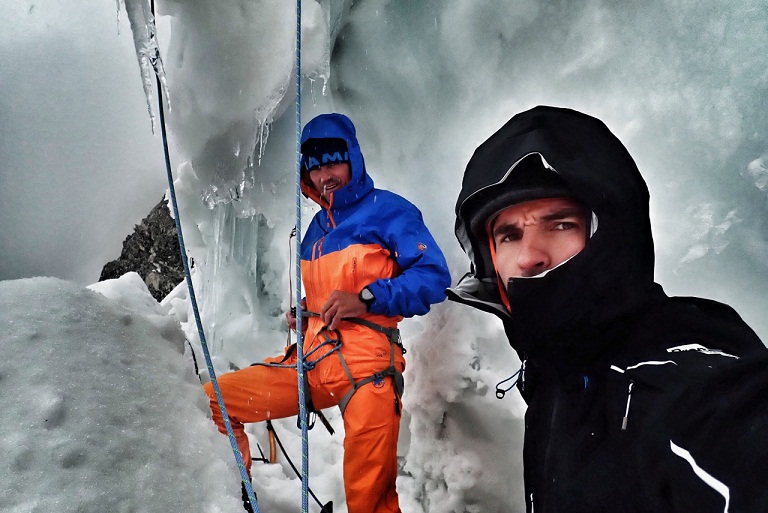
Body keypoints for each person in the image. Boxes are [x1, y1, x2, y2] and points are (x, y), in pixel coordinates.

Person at [448, 105, 768, 512]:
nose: (528, 257)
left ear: (613, 236)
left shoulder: (675, 382)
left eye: (561, 224)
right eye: (509, 235)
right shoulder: (556, 375)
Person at [203, 112, 451, 513]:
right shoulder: (314, 232)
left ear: (352, 158)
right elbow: (326, 296)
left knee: (368, 503)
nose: (324, 176)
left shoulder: (389, 210)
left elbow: (433, 276)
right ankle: (235, 502)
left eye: (333, 162)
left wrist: (367, 298)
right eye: (314, 169)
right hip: (312, 362)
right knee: (213, 400)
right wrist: (307, 312)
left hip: (369, 366)